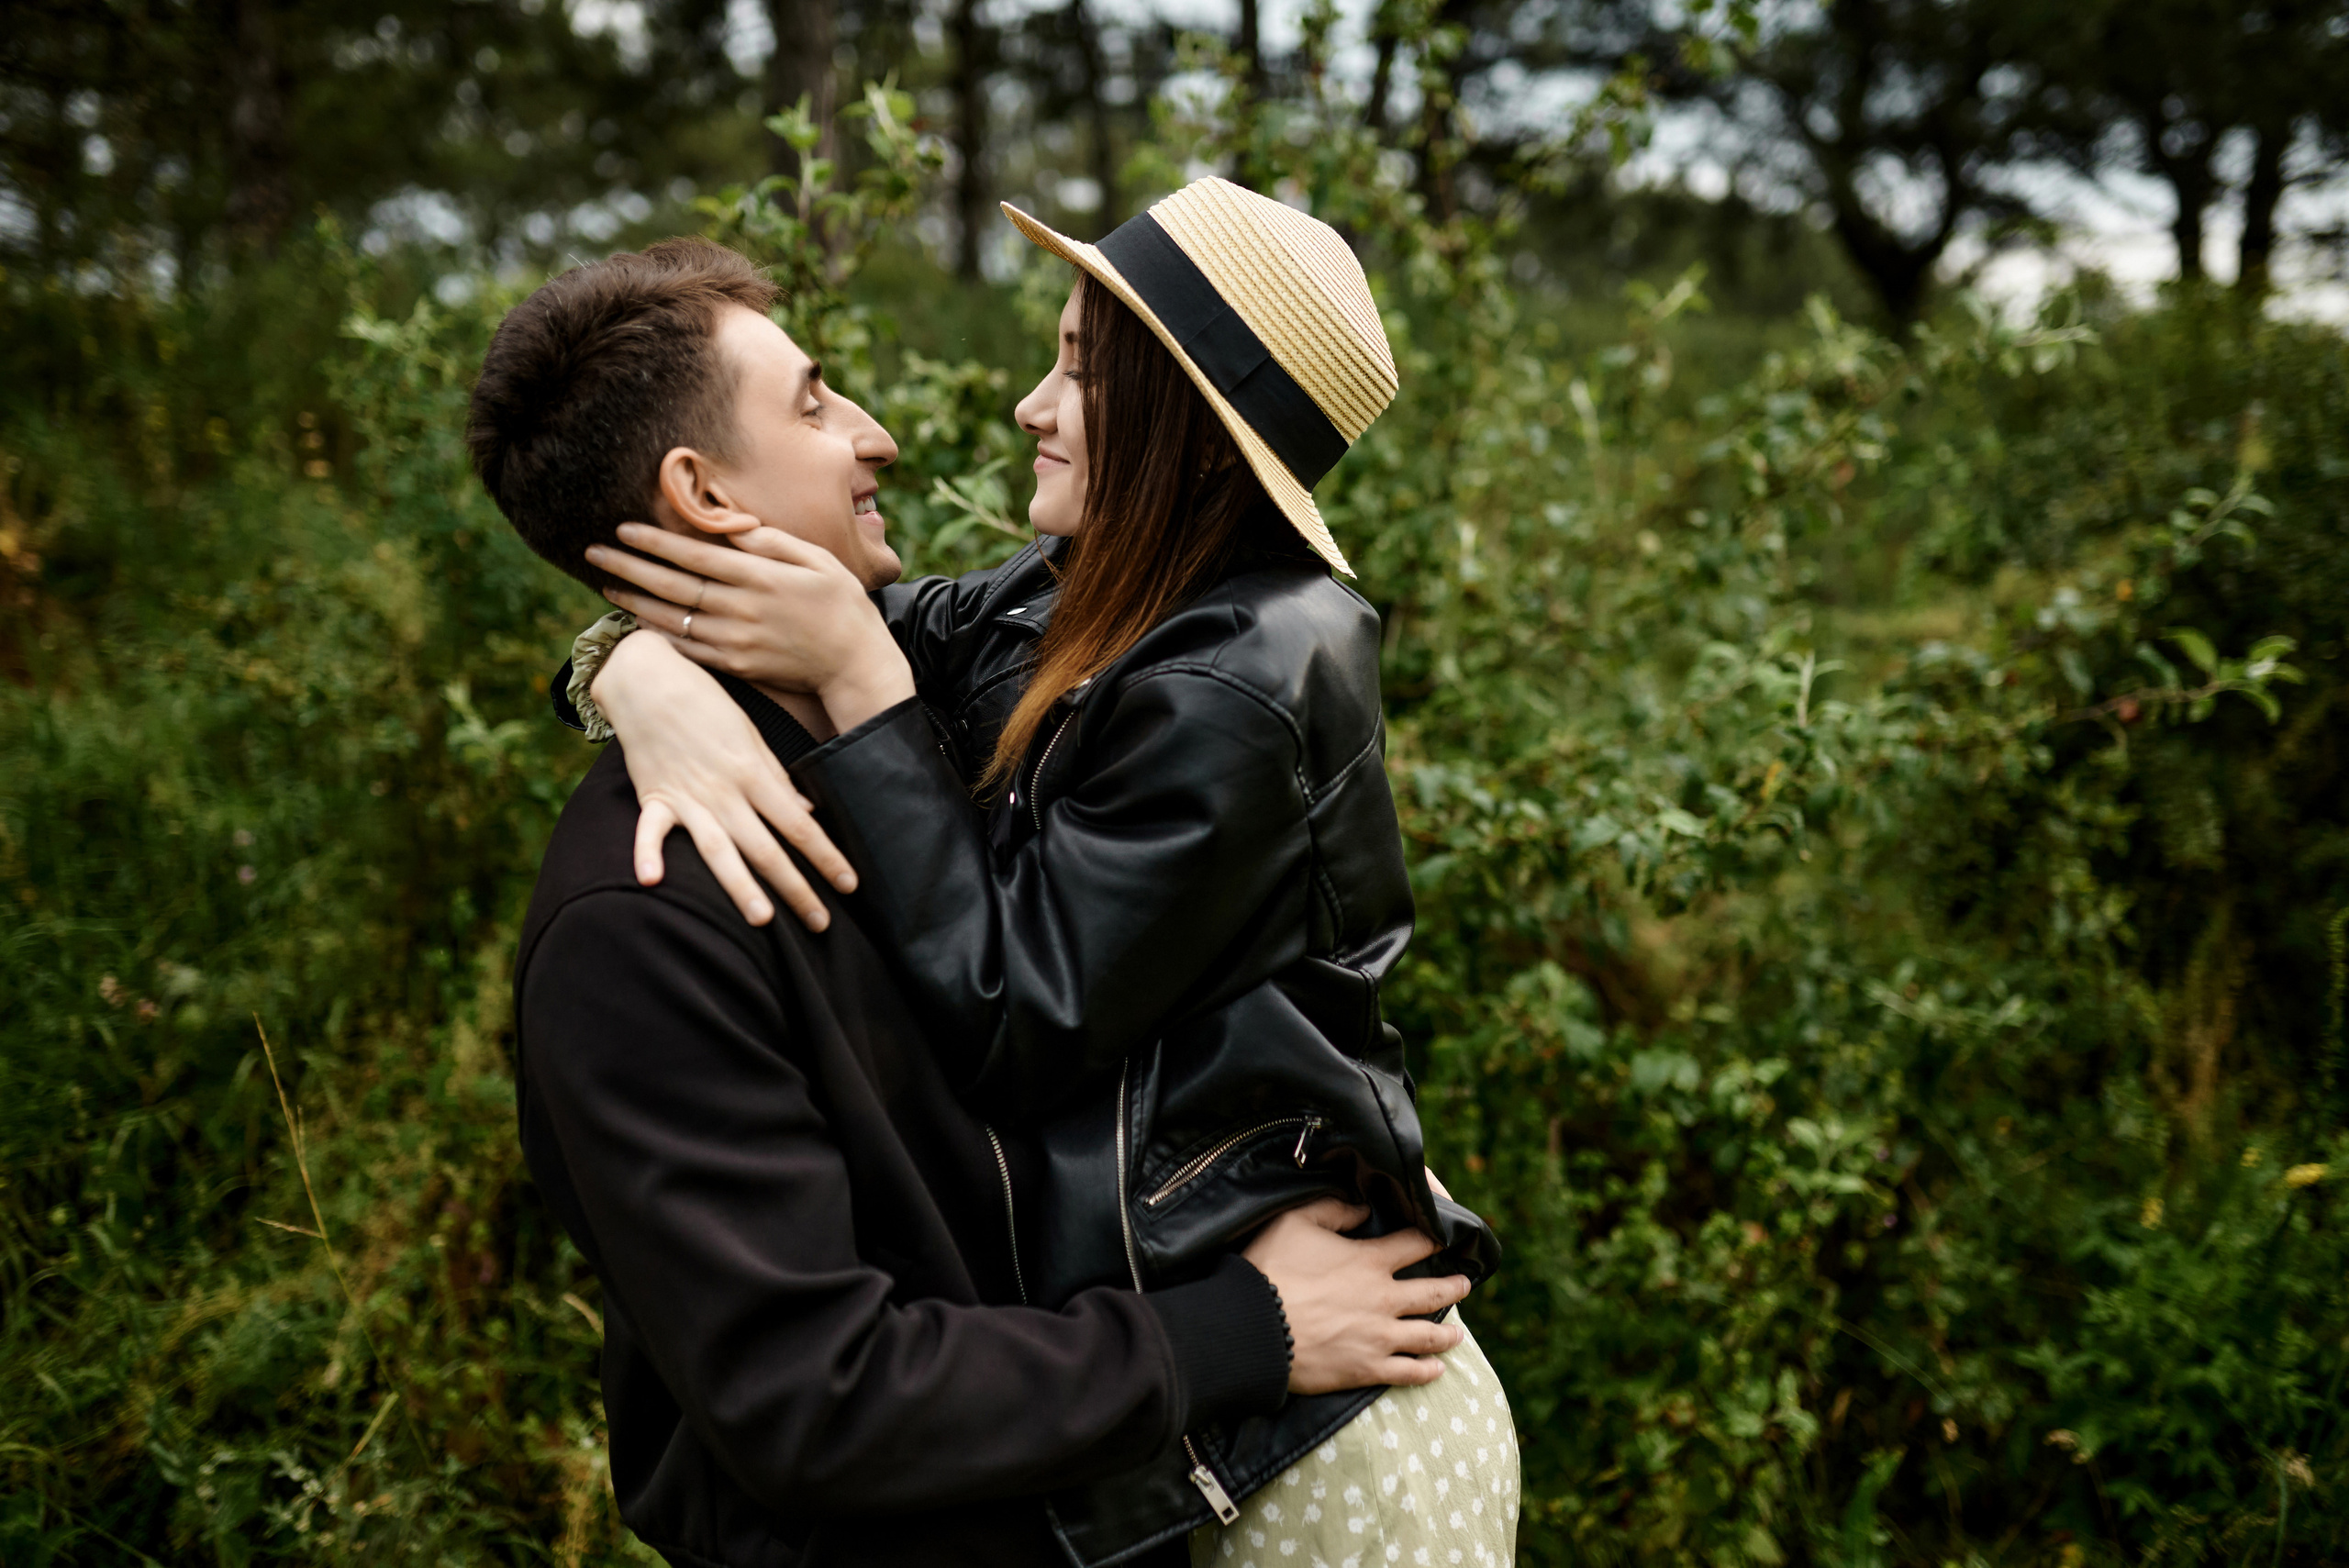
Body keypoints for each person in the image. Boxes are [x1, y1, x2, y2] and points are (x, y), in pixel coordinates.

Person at [466, 236, 1477, 1568]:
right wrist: (627, 667)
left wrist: (1250, 1324)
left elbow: (1018, 1015)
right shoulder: (646, 920)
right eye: (821, 400)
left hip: (1298, 1423)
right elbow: (817, 1393)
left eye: (1075, 372)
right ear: (703, 490)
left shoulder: (1202, 681)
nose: (887, 434)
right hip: (1171, 1430)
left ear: (1176, 428)